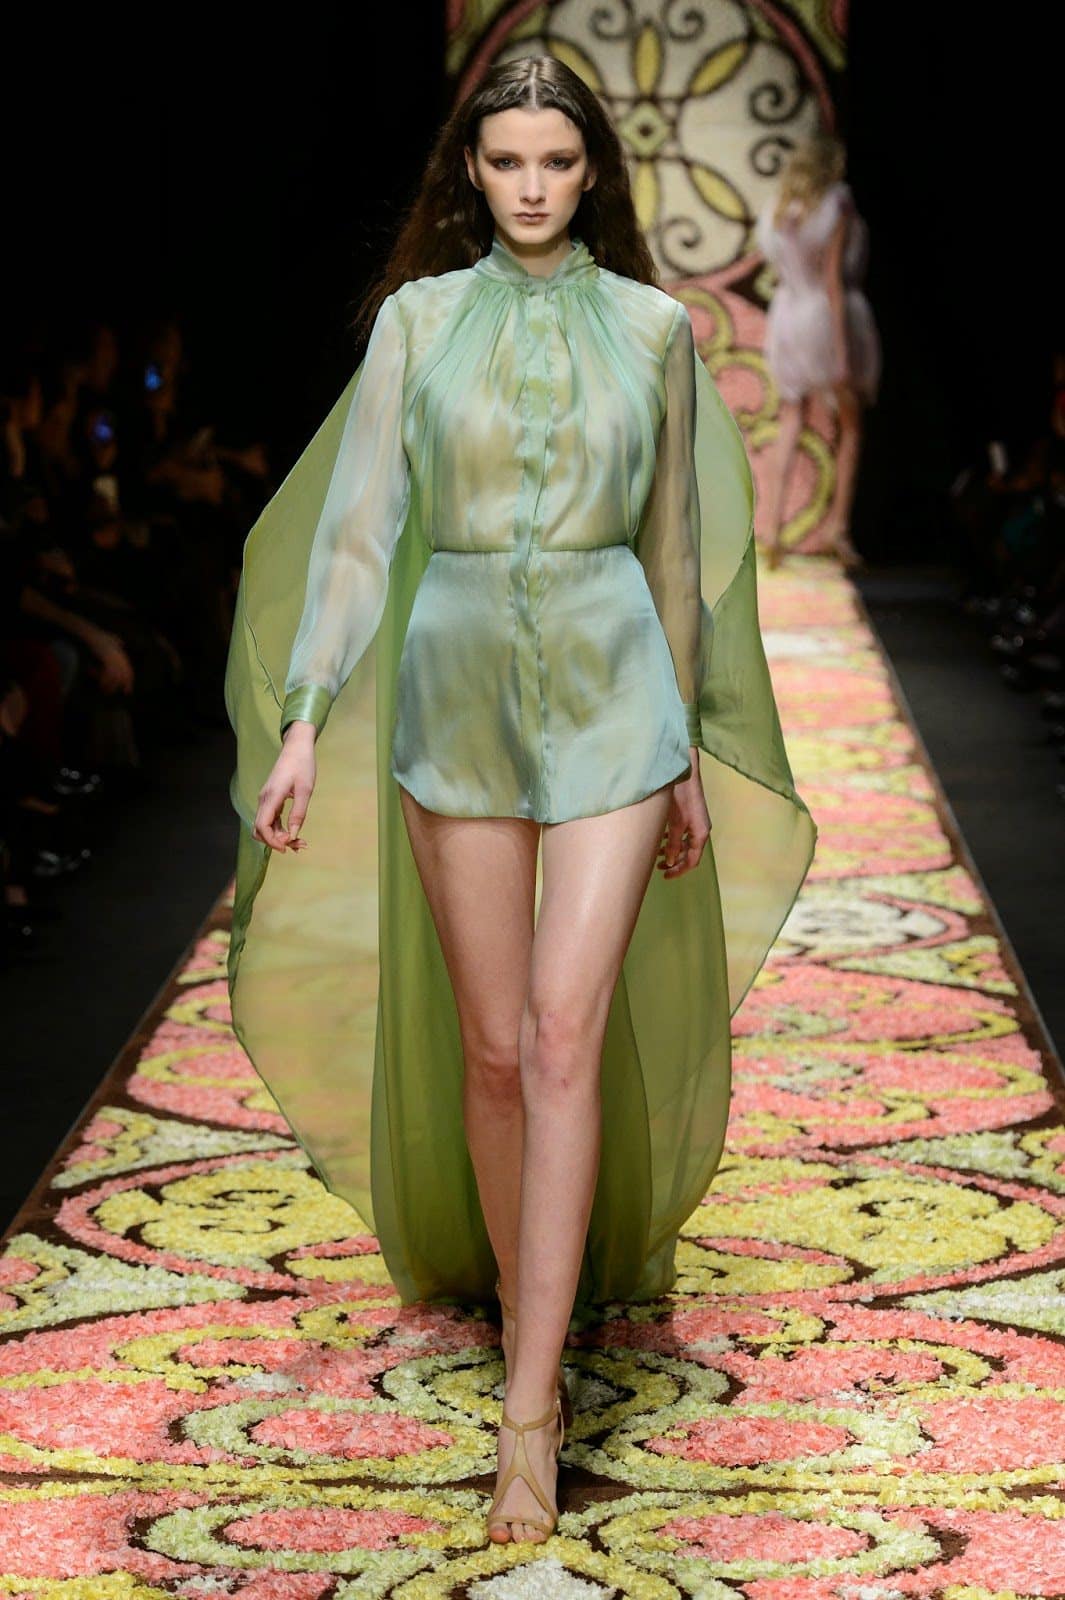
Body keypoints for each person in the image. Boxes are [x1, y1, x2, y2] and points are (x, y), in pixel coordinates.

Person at [224, 55, 817, 1546]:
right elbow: (358, 533)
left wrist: (687, 752)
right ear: (471, 173)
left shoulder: (656, 329)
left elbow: (673, 553)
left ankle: (533, 1408)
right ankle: (516, 1305)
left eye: (557, 160)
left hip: (619, 696)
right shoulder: (418, 324)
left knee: (561, 1035)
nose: (534, 186)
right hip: (458, 688)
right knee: (495, 1052)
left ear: (591, 169)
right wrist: (304, 719)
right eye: (507, 162)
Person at [755, 132, 881, 570]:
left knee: (791, 417)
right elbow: (832, 280)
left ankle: (771, 527)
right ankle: (837, 527)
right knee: (851, 423)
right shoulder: (835, 203)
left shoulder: (780, 207)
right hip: (823, 315)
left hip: (786, 314)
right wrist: (844, 354)